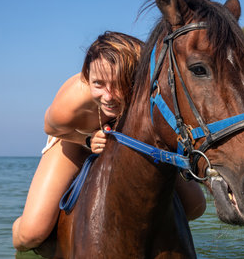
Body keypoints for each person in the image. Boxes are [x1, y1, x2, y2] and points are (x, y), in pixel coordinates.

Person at [12, 31, 206, 251]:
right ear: (87, 77)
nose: (108, 96)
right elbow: (51, 127)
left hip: (126, 137)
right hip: (74, 138)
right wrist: (86, 139)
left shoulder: (144, 79)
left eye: (118, 84)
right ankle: (21, 233)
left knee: (195, 205)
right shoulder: (73, 101)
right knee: (31, 234)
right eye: (98, 83)